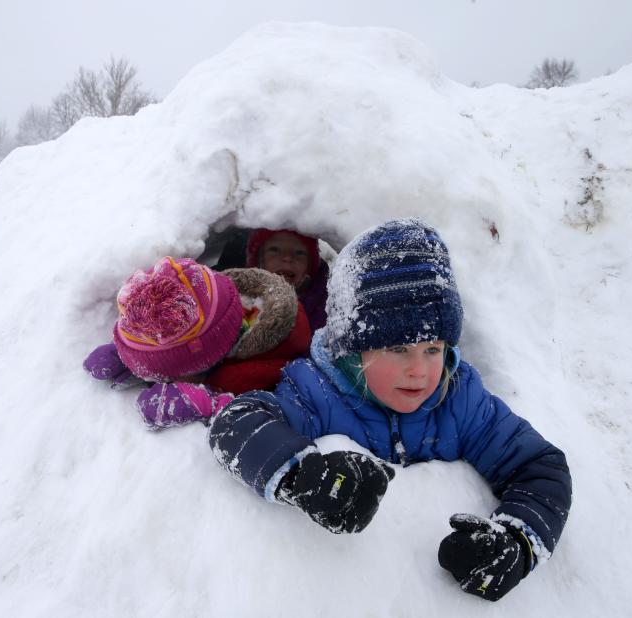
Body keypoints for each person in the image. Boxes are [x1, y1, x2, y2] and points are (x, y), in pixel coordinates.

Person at [208, 219, 572, 602]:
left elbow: (539, 466)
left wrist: (519, 542)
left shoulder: (460, 399)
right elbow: (235, 423)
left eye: (433, 349)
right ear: (351, 348)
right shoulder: (317, 392)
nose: (420, 369)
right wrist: (301, 477)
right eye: (398, 349)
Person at [83, 257, 311, 429]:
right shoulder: (212, 305)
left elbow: (282, 419)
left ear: (207, 361)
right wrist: (134, 360)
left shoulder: (274, 360)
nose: (168, 382)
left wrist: (209, 404)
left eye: (169, 375)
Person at [245, 229, 329, 331]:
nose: (287, 257)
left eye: (299, 252)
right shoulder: (242, 303)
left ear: (309, 267)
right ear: (259, 261)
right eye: (274, 249)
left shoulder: (326, 307)